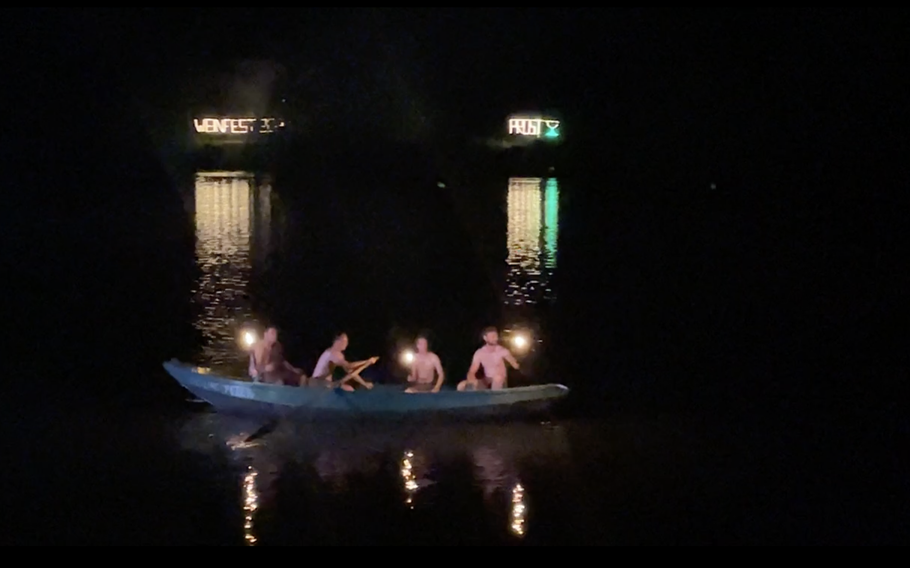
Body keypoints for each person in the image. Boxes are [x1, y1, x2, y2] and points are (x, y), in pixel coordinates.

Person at [458, 327, 519, 392]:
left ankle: (495, 399)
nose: (495, 338)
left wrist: (514, 363)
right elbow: (472, 371)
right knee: (461, 385)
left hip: (500, 380)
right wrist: (471, 380)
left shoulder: (502, 351)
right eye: (492, 336)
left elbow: (515, 364)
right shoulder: (480, 352)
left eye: (496, 336)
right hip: (487, 380)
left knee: (497, 378)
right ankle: (473, 399)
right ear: (485, 338)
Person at [311, 333, 379, 391]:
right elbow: (350, 366)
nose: (346, 344)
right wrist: (367, 361)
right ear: (337, 341)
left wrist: (364, 384)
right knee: (346, 388)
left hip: (326, 383)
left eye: (347, 341)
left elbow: (350, 371)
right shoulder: (333, 353)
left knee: (349, 389)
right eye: (344, 341)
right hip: (319, 383)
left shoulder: (338, 354)